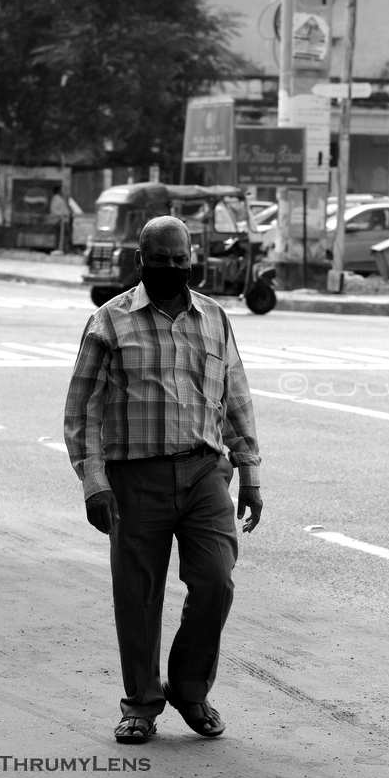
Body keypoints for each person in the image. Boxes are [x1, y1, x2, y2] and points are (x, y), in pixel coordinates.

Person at [64, 216, 262, 744]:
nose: (172, 268)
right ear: (140, 261)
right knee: (138, 596)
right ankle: (141, 705)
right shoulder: (109, 322)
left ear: (191, 259)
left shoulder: (215, 317)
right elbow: (82, 410)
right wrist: (94, 482)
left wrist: (250, 472)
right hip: (134, 478)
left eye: (180, 259)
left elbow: (235, 394)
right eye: (160, 260)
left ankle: (189, 689)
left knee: (216, 581)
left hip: (205, 473)